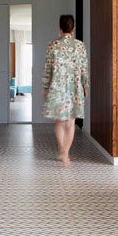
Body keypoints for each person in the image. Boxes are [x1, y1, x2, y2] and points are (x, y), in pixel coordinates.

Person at [42, 14, 89, 167]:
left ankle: (62, 150)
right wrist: (85, 85)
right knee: (71, 122)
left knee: (58, 121)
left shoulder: (52, 45)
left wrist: (45, 87)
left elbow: (47, 69)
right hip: (74, 87)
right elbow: (84, 69)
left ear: (60, 28)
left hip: (57, 87)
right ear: (73, 29)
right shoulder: (80, 46)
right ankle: (66, 154)